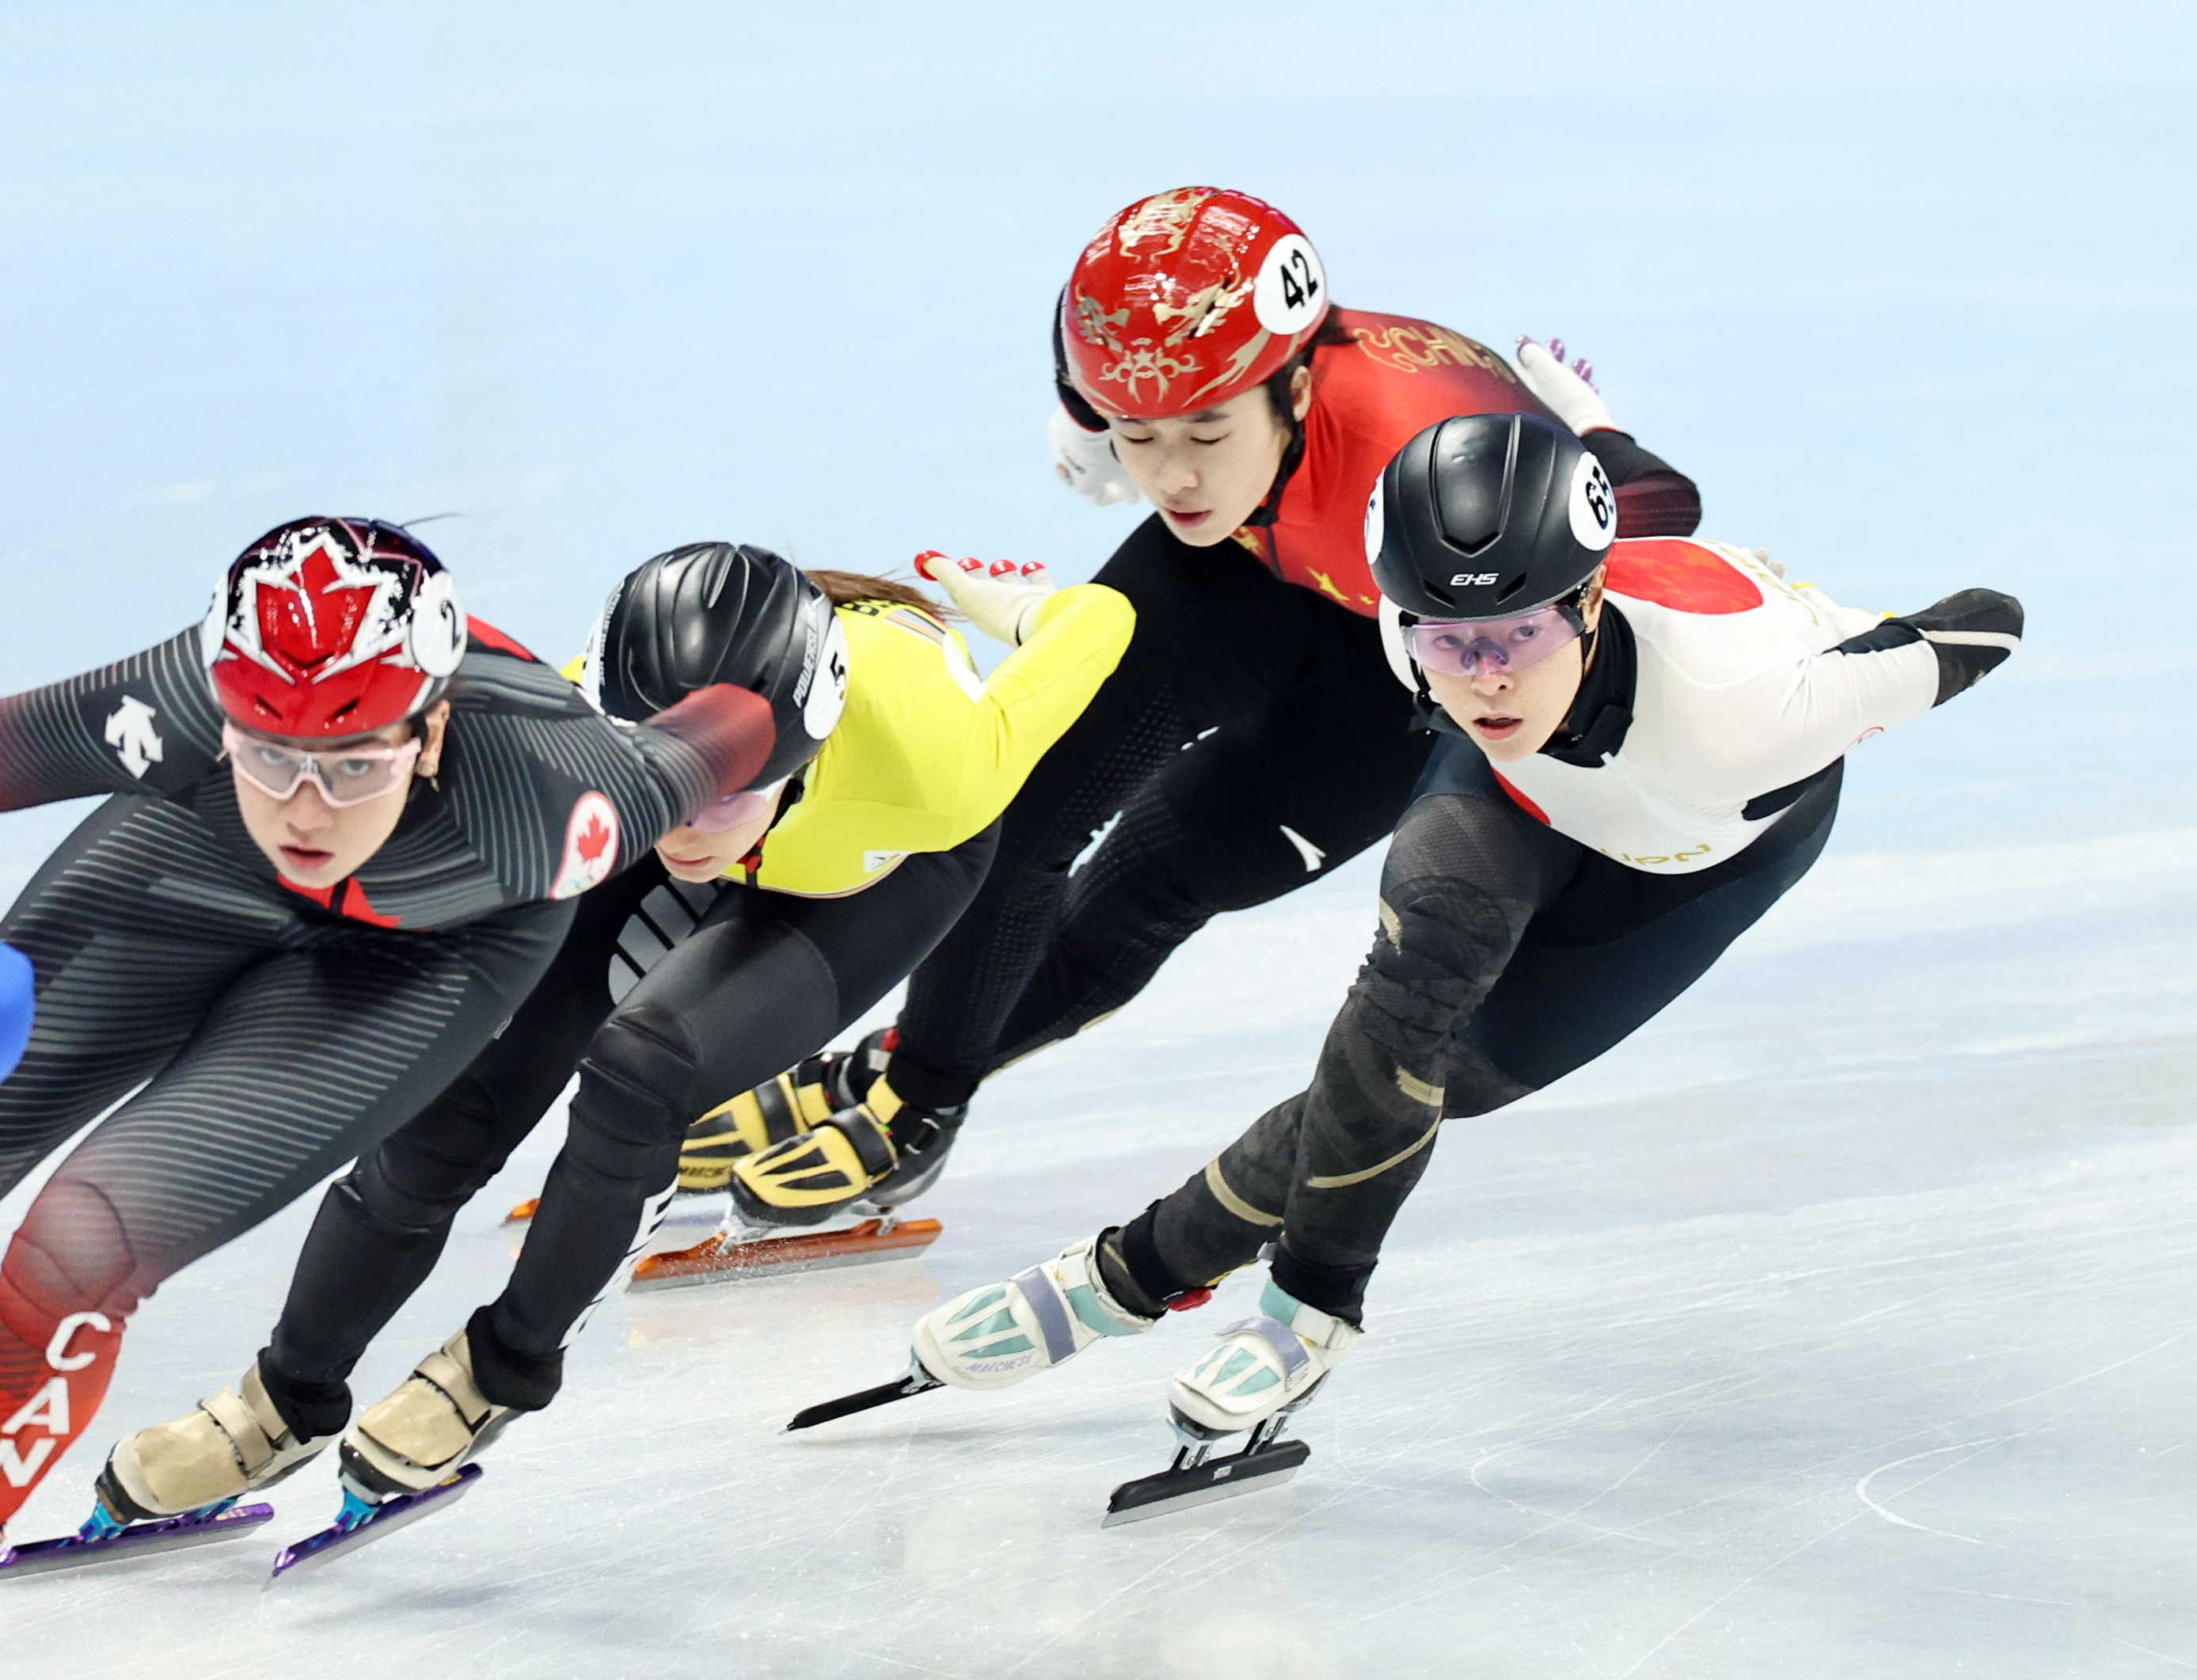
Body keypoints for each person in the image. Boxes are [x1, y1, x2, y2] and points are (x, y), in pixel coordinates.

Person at [869, 410, 2022, 1454]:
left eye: (1514, 635)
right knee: (1407, 994)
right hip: (1523, 799)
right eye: (1442, 638)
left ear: (1584, 600)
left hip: (1702, 840)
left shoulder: (1750, 711)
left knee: (1454, 1077)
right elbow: (1551, 558)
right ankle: (1284, 1308)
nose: (1483, 679)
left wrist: (1879, 658)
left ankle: (1136, 1269)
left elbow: (1987, 624)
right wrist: (1592, 431)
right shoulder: (1451, 652)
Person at [711, 184, 1705, 1225]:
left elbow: (1658, 519)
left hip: (1401, 663)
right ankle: (917, 1086)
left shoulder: (1422, 459)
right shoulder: (1139, 373)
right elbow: (1155, 407)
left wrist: (1600, 438)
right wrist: (1154, 434)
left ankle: (902, 1086)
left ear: (1299, 390)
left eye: (1206, 431)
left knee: (1152, 880)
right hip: (1246, 561)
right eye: (1136, 437)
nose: (1173, 475)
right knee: (1002, 798)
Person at [105, 542, 1133, 1513]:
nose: (687, 825)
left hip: (866, 866)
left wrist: (999, 594)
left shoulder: (936, 761)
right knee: (451, 1087)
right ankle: (283, 1397)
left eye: (721, 797)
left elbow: (1100, 620)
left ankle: (502, 1366)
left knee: (644, 1071)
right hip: (673, 803)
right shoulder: (559, 739)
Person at [0, 517, 777, 1545]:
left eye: (354, 762)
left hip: (421, 957)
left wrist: (768, 800)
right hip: (201, 861)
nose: (306, 806)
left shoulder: (556, 797)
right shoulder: (186, 695)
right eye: (270, 754)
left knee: (73, 1252)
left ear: (432, 731)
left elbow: (750, 721)